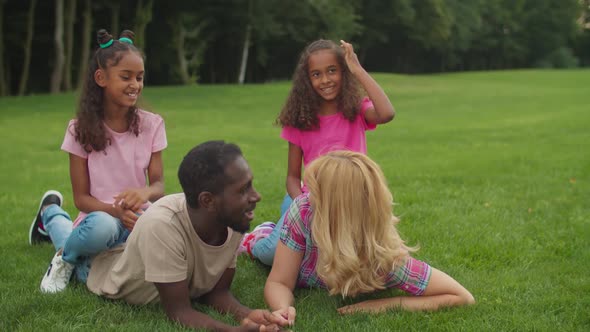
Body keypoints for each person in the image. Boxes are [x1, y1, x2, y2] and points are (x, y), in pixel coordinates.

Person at [86, 141, 290, 331]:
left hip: (143, 254)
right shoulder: (163, 226)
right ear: (208, 201)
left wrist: (247, 314)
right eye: (243, 190)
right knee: (83, 253)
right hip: (102, 274)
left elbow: (216, 292)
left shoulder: (231, 220)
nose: (256, 196)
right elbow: (179, 311)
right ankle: (54, 216)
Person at [264, 151, 475, 325]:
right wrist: (283, 308)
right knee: (265, 251)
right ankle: (262, 232)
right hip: (295, 226)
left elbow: (462, 297)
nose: (308, 196)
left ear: (339, 210)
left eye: (315, 192)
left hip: (318, 230)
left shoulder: (381, 259)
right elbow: (279, 281)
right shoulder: (303, 209)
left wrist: (381, 305)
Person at [29, 29, 166, 293]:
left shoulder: (152, 124)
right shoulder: (79, 130)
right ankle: (63, 257)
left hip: (138, 218)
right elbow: (81, 199)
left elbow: (159, 185)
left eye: (139, 77)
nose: (135, 84)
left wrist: (144, 192)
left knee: (161, 230)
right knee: (100, 233)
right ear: (101, 78)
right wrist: (116, 211)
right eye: (125, 77)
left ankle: (49, 212)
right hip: (99, 218)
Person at [239, 39, 395, 265]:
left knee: (351, 255)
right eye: (316, 74)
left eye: (332, 71)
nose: (325, 80)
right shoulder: (300, 121)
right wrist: (304, 205)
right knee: (273, 255)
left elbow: (387, 113)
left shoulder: (357, 110)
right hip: (309, 202)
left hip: (350, 200)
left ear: (344, 72)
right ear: (307, 80)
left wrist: (358, 69)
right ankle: (256, 238)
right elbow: (293, 177)